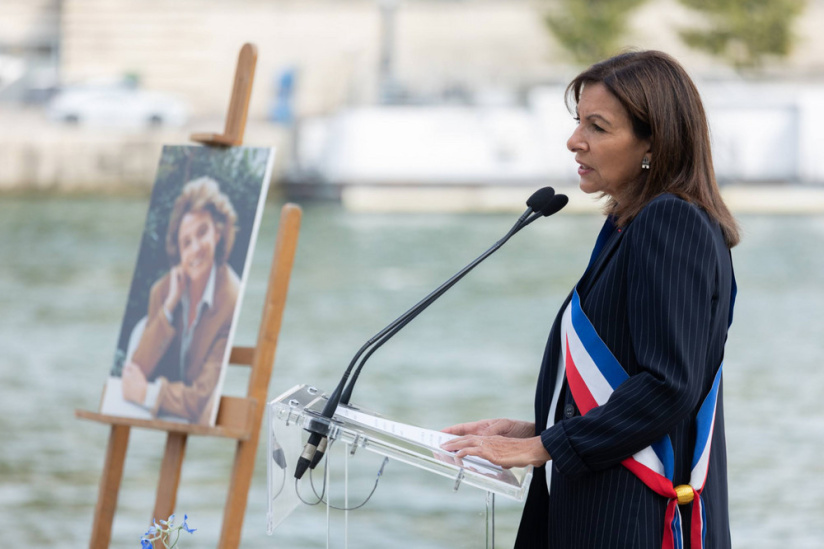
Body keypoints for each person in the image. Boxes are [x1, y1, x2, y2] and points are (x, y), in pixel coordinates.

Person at [442, 50, 738, 549]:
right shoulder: (630, 224)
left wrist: (545, 445)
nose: (574, 140)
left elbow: (669, 386)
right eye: (579, 122)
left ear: (653, 143)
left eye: (598, 128)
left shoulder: (671, 223)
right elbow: (627, 376)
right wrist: (541, 426)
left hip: (632, 519)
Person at [121, 177, 240, 425]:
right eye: (186, 242)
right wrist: (168, 307)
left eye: (202, 232)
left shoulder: (231, 298)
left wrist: (147, 394)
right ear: (178, 251)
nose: (195, 248)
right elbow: (136, 372)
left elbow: (200, 399)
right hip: (162, 418)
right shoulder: (163, 291)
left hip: (194, 421)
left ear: (218, 233)